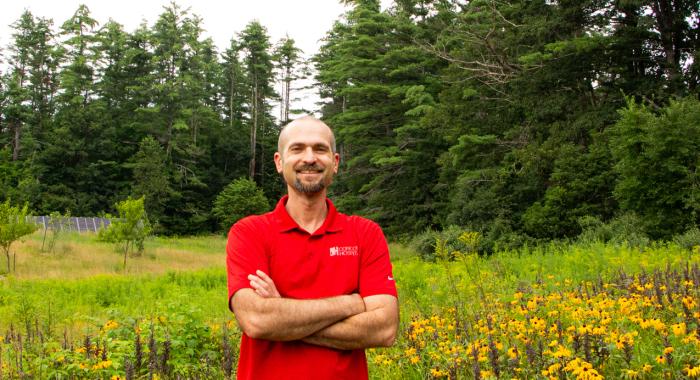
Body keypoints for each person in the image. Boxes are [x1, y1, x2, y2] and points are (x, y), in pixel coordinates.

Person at [226, 116, 399, 379]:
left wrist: (282, 314)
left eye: (320, 149)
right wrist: (350, 304)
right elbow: (257, 320)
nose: (309, 158)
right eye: (297, 149)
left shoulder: (365, 234)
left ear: (336, 162)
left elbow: (384, 329)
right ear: (279, 162)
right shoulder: (249, 232)